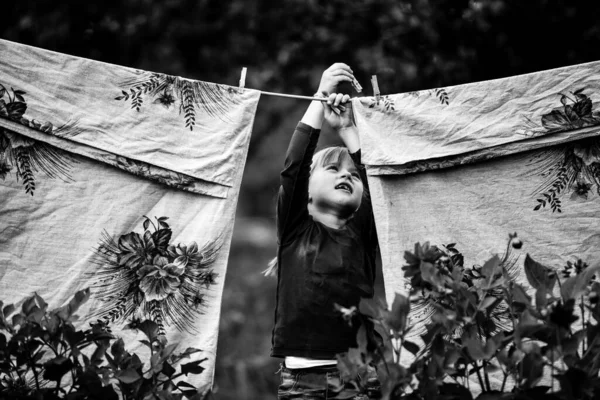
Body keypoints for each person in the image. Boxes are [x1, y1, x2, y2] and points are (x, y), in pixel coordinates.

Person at [270, 63, 381, 399]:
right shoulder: (295, 230)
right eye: (333, 168)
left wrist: (348, 127)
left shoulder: (361, 234)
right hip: (304, 382)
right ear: (306, 192)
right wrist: (319, 99)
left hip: (360, 377)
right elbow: (294, 168)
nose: (346, 175)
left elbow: (375, 178)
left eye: (353, 175)